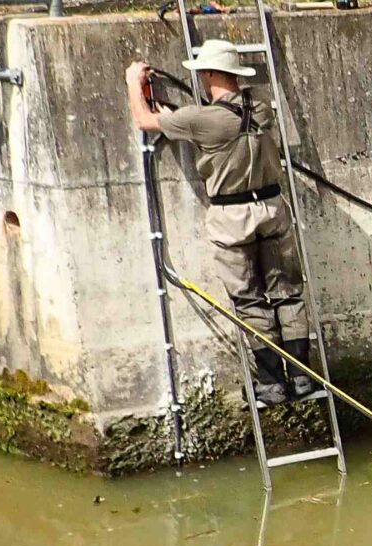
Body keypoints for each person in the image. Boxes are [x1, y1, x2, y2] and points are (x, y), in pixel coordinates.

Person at [125, 39, 315, 405]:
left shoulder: (200, 119)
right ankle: (302, 377)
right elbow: (225, 127)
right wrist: (182, 119)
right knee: (287, 293)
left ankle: (272, 383)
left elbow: (143, 121)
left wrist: (134, 82)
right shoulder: (260, 108)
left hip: (233, 217)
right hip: (272, 208)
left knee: (249, 300)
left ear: (210, 74)